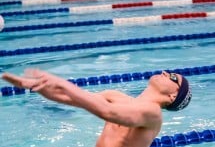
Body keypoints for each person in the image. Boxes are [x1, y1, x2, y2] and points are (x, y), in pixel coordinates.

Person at [1, 69, 192, 147]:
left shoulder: (153, 115)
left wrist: (61, 82)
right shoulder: (115, 96)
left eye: (172, 77)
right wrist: (35, 86)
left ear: (173, 96)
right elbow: (71, 98)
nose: (165, 73)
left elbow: (107, 112)